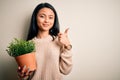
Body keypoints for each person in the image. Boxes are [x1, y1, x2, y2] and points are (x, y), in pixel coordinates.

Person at [17, 2, 72, 80]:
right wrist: (22, 76)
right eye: (42, 16)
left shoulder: (59, 41)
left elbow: (66, 71)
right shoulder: (28, 45)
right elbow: (26, 75)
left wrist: (67, 46)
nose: (46, 20)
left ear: (54, 20)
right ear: (35, 18)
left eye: (50, 17)